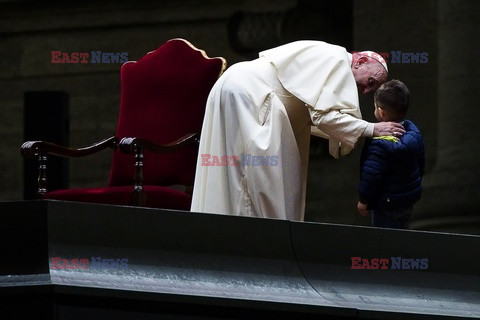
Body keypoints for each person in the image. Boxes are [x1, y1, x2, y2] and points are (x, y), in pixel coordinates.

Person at [191, 40, 405, 221]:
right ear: (360, 61)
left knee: (231, 175)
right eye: (369, 81)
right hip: (253, 95)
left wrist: (351, 130)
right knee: (260, 186)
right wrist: (371, 128)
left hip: (233, 84)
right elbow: (323, 117)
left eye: (372, 89)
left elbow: (316, 117)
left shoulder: (329, 53)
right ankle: (255, 246)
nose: (366, 90)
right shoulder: (340, 61)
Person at [357, 79, 425, 229]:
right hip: (407, 201)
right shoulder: (414, 135)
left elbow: (372, 174)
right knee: (400, 237)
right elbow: (421, 166)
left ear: (381, 112)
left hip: (385, 203)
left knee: (384, 241)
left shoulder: (380, 144)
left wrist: (364, 200)